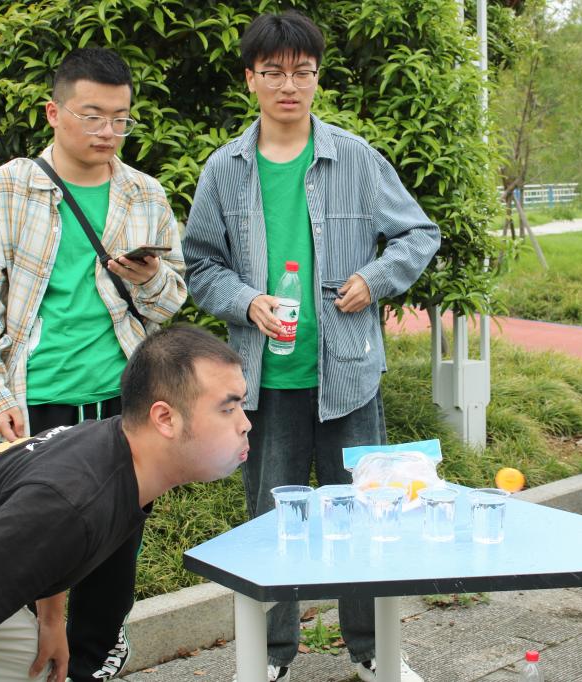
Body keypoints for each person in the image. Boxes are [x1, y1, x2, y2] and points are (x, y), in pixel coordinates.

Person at [182, 10, 440, 682]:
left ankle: (373, 649)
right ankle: (271, 655)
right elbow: (200, 263)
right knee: (274, 520)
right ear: (250, 79)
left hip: (348, 374)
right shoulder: (225, 169)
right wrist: (247, 300)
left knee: (369, 513)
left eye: (302, 72)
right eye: (273, 72)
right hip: (264, 379)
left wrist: (374, 279)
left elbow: (418, 234)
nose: (288, 85)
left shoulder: (355, 158)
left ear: (318, 78)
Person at [0, 48, 187, 679]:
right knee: (36, 548)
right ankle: (37, 662)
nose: (108, 132)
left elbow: (170, 301)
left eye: (120, 119)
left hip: (123, 401)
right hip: (36, 404)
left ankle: (96, 657)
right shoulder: (3, 192)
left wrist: (149, 277)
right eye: (92, 116)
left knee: (115, 548)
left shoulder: (144, 194)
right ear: (54, 113)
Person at [0, 325, 250, 681]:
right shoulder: (75, 497)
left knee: (33, 666)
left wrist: (51, 620)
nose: (245, 423)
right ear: (164, 418)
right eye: (227, 408)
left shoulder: (123, 457)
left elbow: (46, 545)